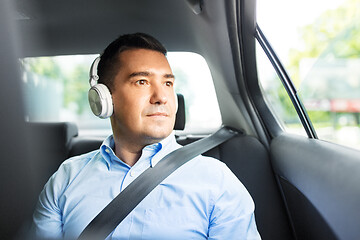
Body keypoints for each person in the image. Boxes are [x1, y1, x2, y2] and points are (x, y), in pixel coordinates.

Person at [31, 33, 261, 239]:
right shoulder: (65, 179)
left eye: (168, 83)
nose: (161, 97)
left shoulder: (218, 182)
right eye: (141, 81)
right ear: (104, 99)